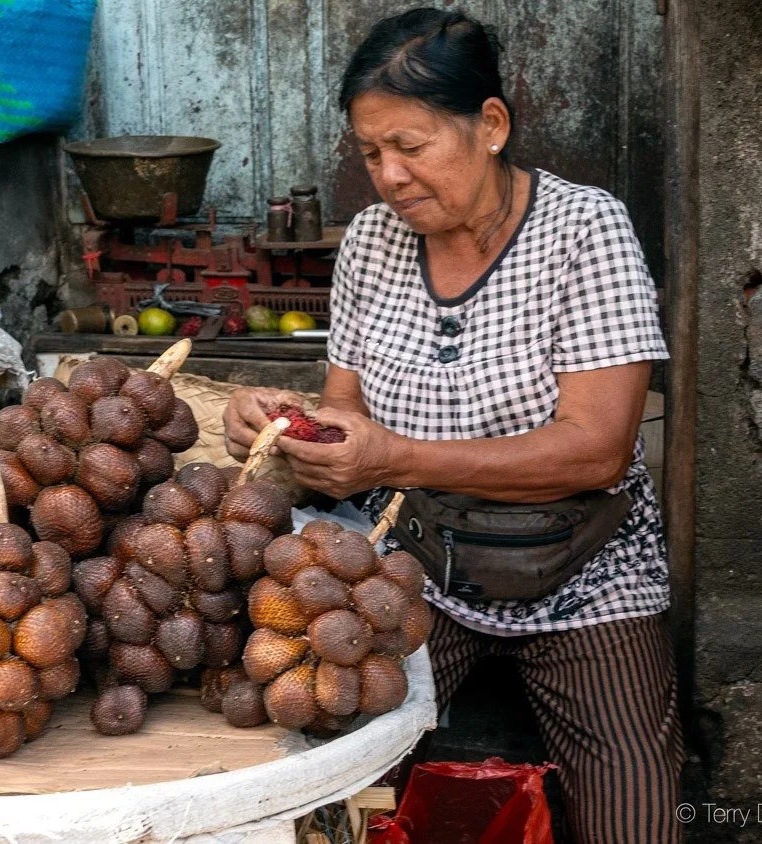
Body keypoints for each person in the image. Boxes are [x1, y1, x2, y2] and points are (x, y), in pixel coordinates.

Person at [224, 8, 683, 842]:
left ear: (492, 126)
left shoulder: (587, 230)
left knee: (637, 820)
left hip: (586, 572)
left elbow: (598, 448)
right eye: (371, 154)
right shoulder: (370, 241)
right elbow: (346, 416)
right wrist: (282, 429)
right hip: (419, 565)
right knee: (322, 779)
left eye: (410, 145)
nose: (389, 176)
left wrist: (395, 455)